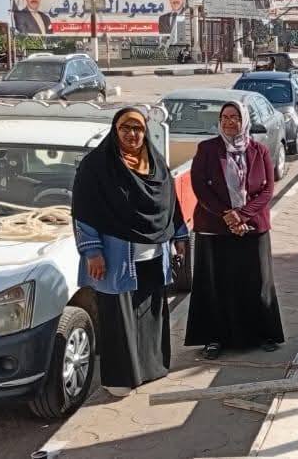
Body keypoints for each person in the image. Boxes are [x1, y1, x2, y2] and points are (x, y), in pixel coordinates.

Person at [72, 108, 189, 396]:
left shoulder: (155, 163)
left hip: (153, 255)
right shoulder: (96, 166)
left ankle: (150, 370)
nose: (132, 134)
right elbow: (83, 212)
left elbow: (170, 203)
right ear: (115, 130)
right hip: (115, 258)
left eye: (137, 128)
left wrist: (180, 235)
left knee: (150, 317)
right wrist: (92, 252)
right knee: (118, 320)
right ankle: (120, 381)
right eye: (126, 128)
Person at [185, 102, 283, 358]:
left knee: (256, 281)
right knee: (217, 283)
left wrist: (242, 215)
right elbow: (200, 187)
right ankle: (214, 338)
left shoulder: (259, 150)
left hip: (252, 227)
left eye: (235, 117)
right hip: (214, 228)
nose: (229, 122)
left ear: (245, 120)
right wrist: (227, 216)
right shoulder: (207, 149)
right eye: (224, 117)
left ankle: (262, 334)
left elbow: (267, 190)